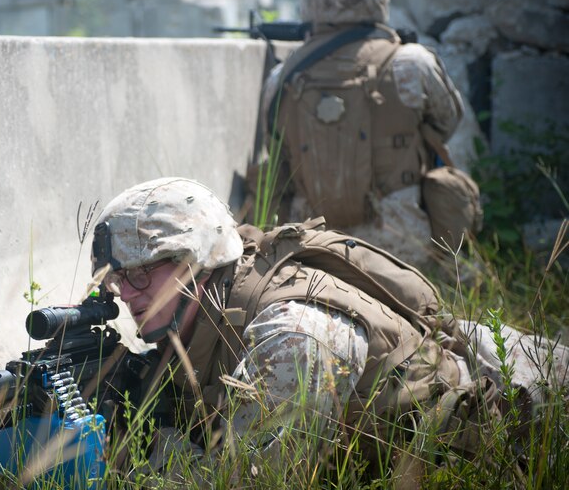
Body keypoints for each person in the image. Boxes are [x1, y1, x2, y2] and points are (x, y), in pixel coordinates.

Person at [92, 177, 567, 485]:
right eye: (117, 278)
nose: (126, 293)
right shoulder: (209, 304)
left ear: (198, 259)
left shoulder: (293, 336)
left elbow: (250, 479)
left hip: (525, 401)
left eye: (142, 272)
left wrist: (132, 453)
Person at [254, 0, 480, 268]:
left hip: (314, 248)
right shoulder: (411, 63)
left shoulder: (283, 76)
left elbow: (274, 144)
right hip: (402, 247)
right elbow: (448, 122)